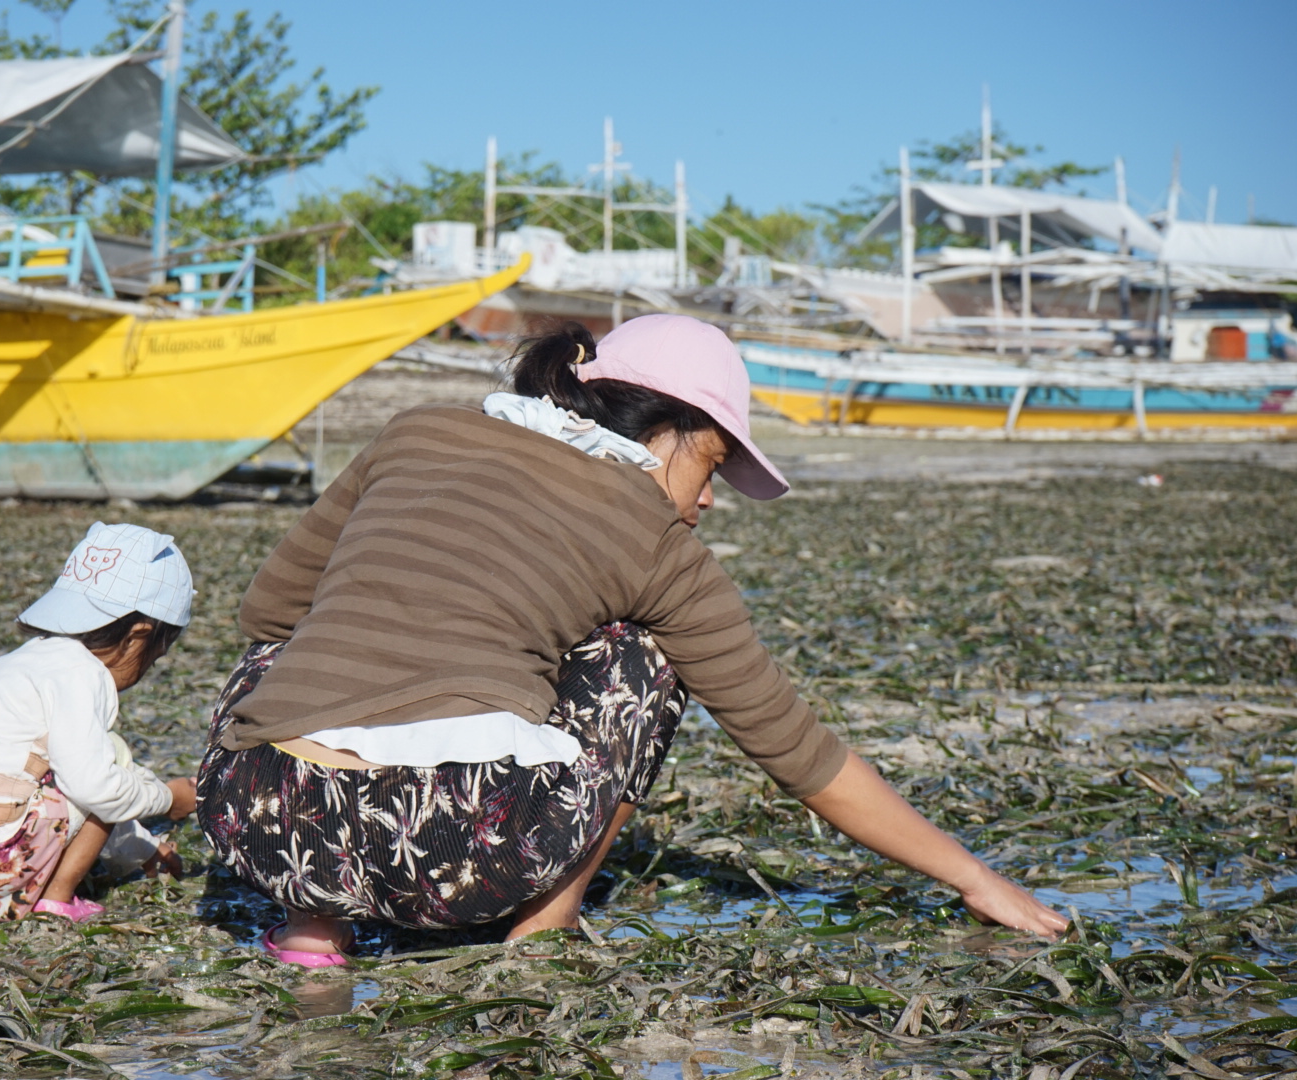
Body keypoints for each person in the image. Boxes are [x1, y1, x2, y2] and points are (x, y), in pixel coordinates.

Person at [196, 315, 1067, 965]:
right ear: (668, 431)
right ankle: (545, 924)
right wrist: (971, 877)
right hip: (459, 859)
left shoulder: (418, 428)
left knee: (292, 649)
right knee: (638, 653)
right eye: (713, 465)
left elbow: (269, 612)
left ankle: (314, 926)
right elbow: (799, 757)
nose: (709, 498)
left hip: (258, 825)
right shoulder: (659, 539)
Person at [0, 522, 199, 922]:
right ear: (138, 636)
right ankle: (56, 900)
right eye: (156, 657)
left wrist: (140, 846)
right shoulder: (82, 673)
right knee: (112, 757)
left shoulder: (20, 663)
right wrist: (168, 799)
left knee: (80, 767)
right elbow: (94, 788)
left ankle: (26, 888)